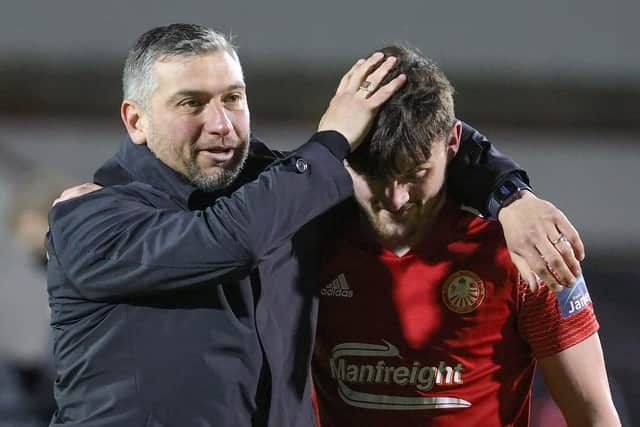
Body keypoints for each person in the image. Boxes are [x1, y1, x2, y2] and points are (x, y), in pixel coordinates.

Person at [47, 24, 583, 427]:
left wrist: (510, 195)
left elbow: (413, 139)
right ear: (135, 120)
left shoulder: (280, 191)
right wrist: (328, 144)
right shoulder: (90, 218)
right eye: (191, 103)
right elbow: (227, 239)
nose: (221, 123)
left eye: (233, 98)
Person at [311, 46, 620, 427]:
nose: (394, 198)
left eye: (415, 174)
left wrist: (513, 197)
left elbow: (594, 417)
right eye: (374, 176)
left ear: (453, 143)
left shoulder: (525, 250)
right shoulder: (307, 243)